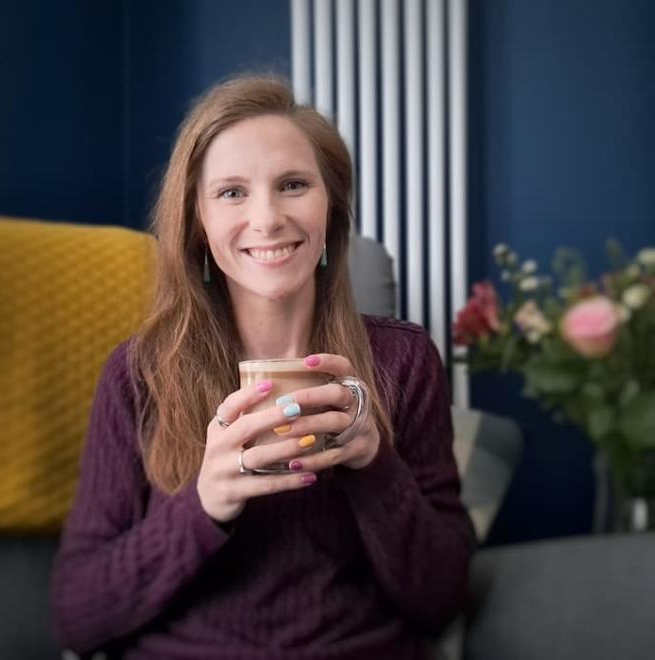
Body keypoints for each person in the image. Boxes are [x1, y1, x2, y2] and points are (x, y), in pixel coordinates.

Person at [51, 75, 473, 659]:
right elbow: (77, 615)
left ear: (333, 208)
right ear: (196, 221)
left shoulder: (403, 361)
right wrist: (204, 506)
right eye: (231, 193)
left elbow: (444, 596)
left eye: (294, 185)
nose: (267, 218)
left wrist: (374, 465)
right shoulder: (139, 374)